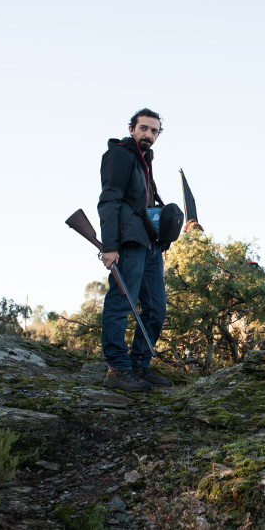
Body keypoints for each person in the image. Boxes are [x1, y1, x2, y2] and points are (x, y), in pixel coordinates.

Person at [98, 108, 173, 391]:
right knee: (120, 303)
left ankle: (140, 366)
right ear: (132, 129)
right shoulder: (120, 154)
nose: (148, 135)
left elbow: (146, 205)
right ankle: (117, 369)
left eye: (154, 131)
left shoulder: (145, 162)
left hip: (149, 244)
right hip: (127, 243)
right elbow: (109, 200)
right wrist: (110, 246)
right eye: (143, 128)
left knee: (156, 307)